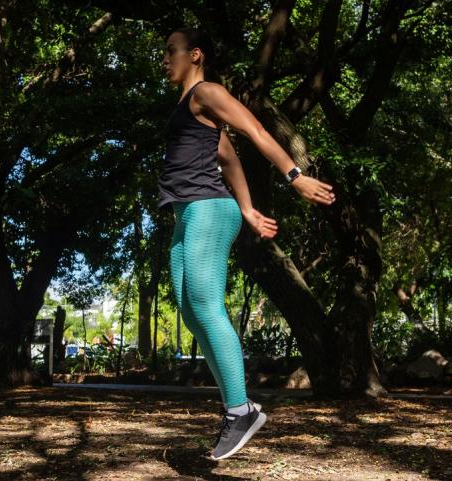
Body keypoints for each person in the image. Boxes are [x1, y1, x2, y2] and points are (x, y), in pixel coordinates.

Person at [160, 27, 336, 460]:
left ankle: (241, 410)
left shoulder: (208, 92)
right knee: (188, 306)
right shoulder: (188, 107)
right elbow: (229, 157)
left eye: (170, 52)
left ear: (195, 54)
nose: (164, 60)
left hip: (206, 209)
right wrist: (248, 209)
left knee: (204, 302)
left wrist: (294, 177)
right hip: (190, 212)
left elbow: (255, 130)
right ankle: (235, 408)